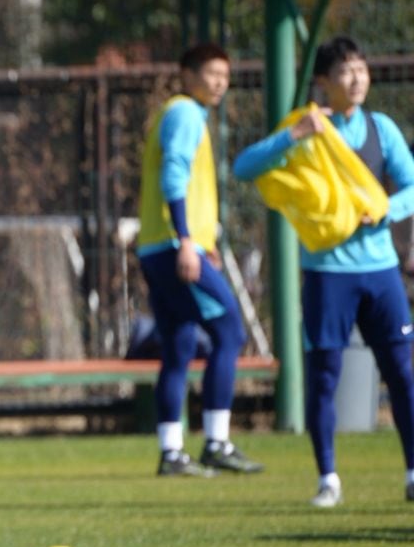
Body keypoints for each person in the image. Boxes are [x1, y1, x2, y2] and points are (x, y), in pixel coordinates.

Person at [233, 36, 414, 507]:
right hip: (327, 274)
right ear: (323, 82)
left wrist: (386, 211)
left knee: (402, 372)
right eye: (345, 72)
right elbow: (245, 167)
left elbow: (412, 185)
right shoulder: (306, 131)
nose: (356, 80)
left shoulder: (381, 129)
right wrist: (293, 136)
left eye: (362, 69)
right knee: (324, 376)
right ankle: (327, 477)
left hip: (381, 271)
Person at [136, 43, 264, 478]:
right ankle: (216, 442)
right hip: (175, 247)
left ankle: (171, 452)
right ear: (187, 74)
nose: (219, 83)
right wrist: (187, 239)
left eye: (224, 75)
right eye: (210, 73)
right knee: (229, 332)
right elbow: (175, 172)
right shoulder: (187, 114)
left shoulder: (180, 114)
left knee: (180, 346)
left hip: (158, 246)